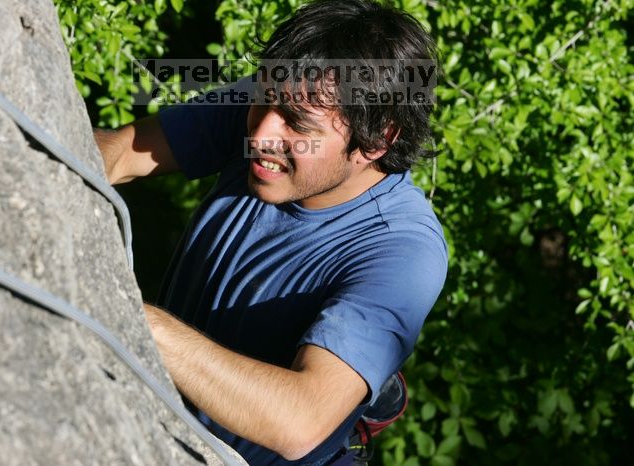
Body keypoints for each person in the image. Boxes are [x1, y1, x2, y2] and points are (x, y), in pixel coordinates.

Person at [95, 1, 447, 464]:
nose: (260, 134)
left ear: (378, 140)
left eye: (298, 125)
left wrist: (124, 313)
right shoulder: (280, 101)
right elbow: (122, 152)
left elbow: (300, 421)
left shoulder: (403, 252)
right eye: (262, 99)